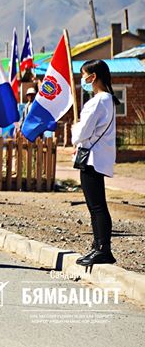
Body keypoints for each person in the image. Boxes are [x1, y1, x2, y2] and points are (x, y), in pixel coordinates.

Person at [73, 60, 118, 267]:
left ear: (93, 77)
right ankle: (98, 246)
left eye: (84, 74)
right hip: (98, 157)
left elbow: (82, 133)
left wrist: (76, 131)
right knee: (96, 205)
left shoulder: (97, 101)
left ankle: (103, 249)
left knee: (96, 206)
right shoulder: (107, 99)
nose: (83, 78)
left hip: (91, 159)